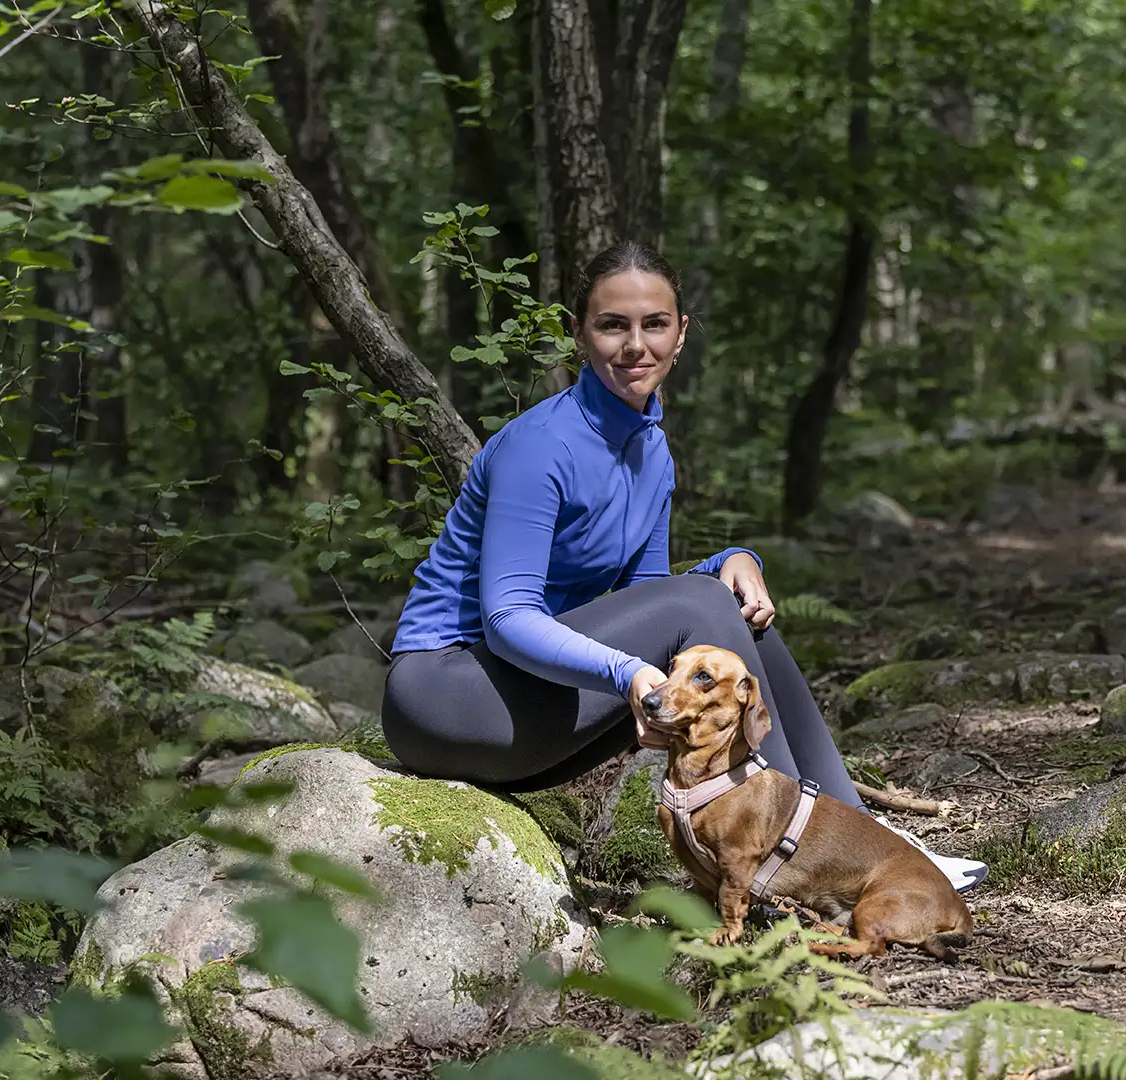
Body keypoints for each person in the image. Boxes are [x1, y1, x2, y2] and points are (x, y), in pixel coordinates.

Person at [380, 240, 987, 892]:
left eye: (654, 324)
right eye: (613, 325)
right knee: (701, 603)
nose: (634, 345)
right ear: (580, 333)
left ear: (681, 333)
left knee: (732, 611)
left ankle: (866, 839)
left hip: (523, 703)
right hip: (444, 696)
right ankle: (794, 850)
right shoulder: (541, 447)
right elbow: (506, 618)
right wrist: (631, 671)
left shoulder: (652, 455)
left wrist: (736, 561)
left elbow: (649, 601)